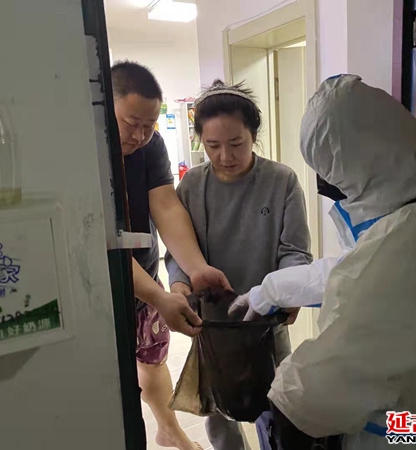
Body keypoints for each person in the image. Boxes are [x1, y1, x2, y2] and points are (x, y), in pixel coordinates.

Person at [230, 74, 416, 449]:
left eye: (331, 172)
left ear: (366, 159)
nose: (326, 186)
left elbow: (345, 361)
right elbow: (352, 272)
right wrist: (268, 291)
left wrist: (284, 399)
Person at [164, 79, 313, 450]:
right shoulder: (192, 186)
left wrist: (289, 290)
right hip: (213, 323)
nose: (225, 156)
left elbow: (294, 250)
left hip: (265, 320)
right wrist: (179, 285)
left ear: (254, 136)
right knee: (218, 410)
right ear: (200, 140)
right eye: (213, 146)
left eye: (236, 144)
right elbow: (178, 250)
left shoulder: (281, 181)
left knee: (278, 405)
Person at [112, 61, 232, 450]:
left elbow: (165, 204)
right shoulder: (84, 150)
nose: (140, 135)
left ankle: (169, 429)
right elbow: (98, 239)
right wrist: (159, 297)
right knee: (112, 377)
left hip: (144, 275)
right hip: (103, 288)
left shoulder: (150, 146)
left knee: (152, 358)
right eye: (131, 123)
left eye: (149, 125)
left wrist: (196, 268)